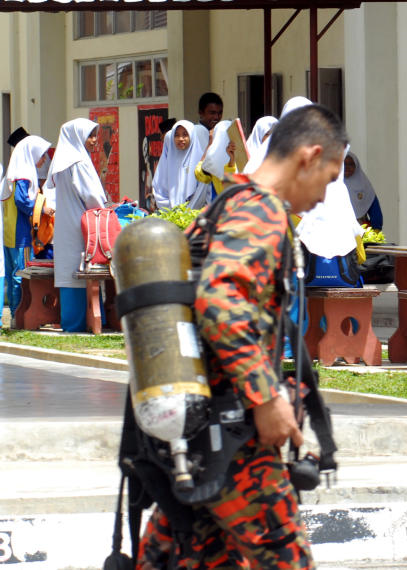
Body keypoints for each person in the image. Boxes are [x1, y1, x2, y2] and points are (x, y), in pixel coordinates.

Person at [137, 103, 347, 569]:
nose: (324, 195)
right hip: (234, 439)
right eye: (329, 179)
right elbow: (219, 300)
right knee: (285, 561)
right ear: (309, 157)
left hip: (194, 434)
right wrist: (264, 398)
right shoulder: (261, 212)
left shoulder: (227, 202)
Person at [49, 118, 107, 332]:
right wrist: (107, 208)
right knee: (85, 270)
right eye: (90, 136)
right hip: (82, 225)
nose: (94, 140)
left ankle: (72, 322)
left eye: (94, 135)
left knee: (70, 270)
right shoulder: (79, 162)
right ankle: (88, 321)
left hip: (66, 224)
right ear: (77, 137)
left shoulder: (64, 160)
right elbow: (92, 197)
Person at [3, 135, 52, 325]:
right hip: (20, 233)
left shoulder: (14, 172)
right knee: (21, 275)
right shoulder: (24, 175)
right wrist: (42, 209)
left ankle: (17, 315)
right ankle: (19, 316)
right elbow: (22, 201)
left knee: (12, 273)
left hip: (10, 231)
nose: (43, 159)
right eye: (41, 155)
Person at [152, 120, 197, 209]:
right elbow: (159, 189)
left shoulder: (198, 162)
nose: (180, 139)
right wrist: (171, 210)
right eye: (176, 135)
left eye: (185, 134)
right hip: (169, 216)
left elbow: (201, 192)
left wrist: (188, 211)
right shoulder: (166, 162)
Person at [194, 120, 238, 206]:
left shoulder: (212, 160)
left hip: (221, 208)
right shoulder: (240, 158)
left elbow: (199, 174)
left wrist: (209, 145)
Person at [343, 151, 383, 230]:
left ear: (356, 166)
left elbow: (375, 212)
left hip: (361, 232)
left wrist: (376, 231)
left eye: (351, 164)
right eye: (343, 164)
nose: (347, 167)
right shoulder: (329, 185)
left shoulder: (364, 187)